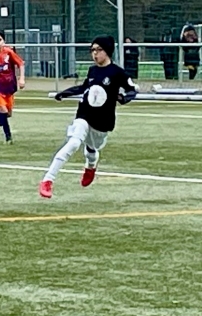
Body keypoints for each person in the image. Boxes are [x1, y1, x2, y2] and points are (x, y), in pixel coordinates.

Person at [40, 37, 135, 199]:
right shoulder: (92, 71)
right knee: (73, 143)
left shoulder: (117, 73)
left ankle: (91, 165)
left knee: (92, 148)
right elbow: (85, 87)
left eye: (98, 50)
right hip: (84, 114)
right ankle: (48, 180)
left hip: (103, 121)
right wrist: (65, 93)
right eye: (92, 50)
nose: (95, 54)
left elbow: (132, 90)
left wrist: (124, 98)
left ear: (107, 51)